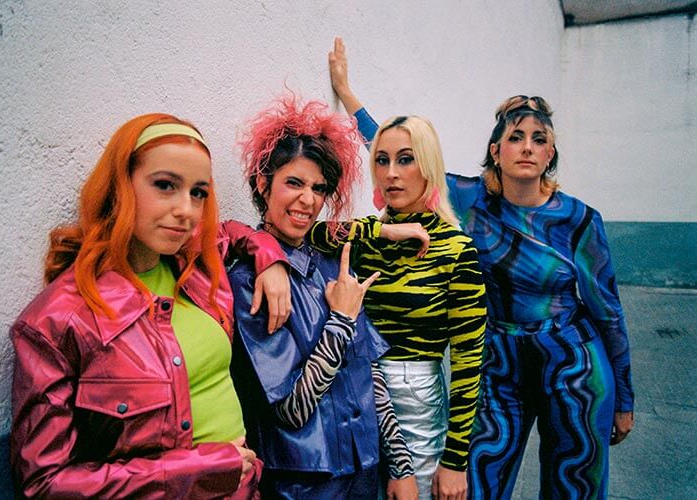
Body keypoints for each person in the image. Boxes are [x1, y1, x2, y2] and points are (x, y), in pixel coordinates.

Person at [328, 37, 635, 499]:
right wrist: (347, 93)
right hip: (499, 366)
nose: (527, 148)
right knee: (477, 486)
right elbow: (398, 153)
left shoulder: (579, 220)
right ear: (496, 150)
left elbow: (608, 312)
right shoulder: (470, 200)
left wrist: (624, 397)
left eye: (539, 139)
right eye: (515, 137)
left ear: (550, 154)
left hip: (573, 367)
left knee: (574, 487)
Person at [9, 113, 292, 498]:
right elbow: (44, 485)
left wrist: (270, 258)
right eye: (165, 185)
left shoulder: (195, 268)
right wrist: (200, 469)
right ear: (119, 187)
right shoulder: (56, 322)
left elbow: (230, 232)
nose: (186, 210)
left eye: (198, 192)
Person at [229, 96, 422, 499]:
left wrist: (401, 467)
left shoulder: (334, 263)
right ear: (263, 184)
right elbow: (291, 410)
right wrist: (341, 321)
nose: (308, 200)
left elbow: (371, 375)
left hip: (366, 471)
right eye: (294, 183)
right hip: (302, 484)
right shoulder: (249, 281)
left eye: (318, 188)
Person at [306, 109, 488, 500]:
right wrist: (384, 229)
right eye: (382, 160)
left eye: (405, 159)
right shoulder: (368, 239)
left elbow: (469, 362)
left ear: (429, 166)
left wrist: (456, 460)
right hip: (356, 393)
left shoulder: (456, 250)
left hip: (414, 401)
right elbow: (309, 232)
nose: (391, 173)